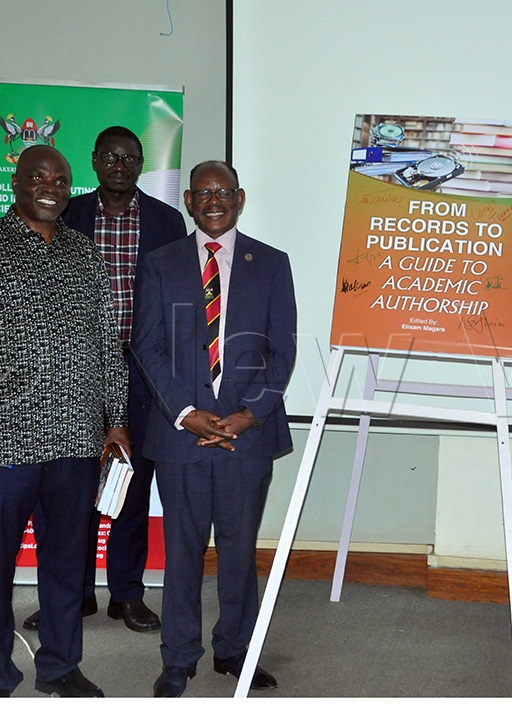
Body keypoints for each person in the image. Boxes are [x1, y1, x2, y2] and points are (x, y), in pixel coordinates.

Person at [0, 146, 129, 697]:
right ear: (15, 182)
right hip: (0, 448)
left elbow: (107, 348)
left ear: (71, 188)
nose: (51, 186)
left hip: (76, 442)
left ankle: (61, 666)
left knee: (66, 566)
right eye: (38, 177)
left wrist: (116, 420)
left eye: (61, 180)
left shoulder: (86, 256)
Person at [131, 161, 296, 697]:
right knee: (181, 551)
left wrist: (249, 415)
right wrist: (185, 412)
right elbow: (147, 346)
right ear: (188, 201)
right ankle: (178, 656)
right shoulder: (160, 263)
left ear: (240, 198)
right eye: (202, 193)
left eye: (223, 192)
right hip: (181, 433)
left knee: (239, 547)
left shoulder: (271, 263)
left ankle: (236, 649)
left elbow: (283, 349)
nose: (214, 201)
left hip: (248, 433)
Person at [23, 126, 186, 634]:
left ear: (140, 164)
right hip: (73, 372)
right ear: (93, 161)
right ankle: (74, 594)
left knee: (130, 488)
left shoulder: (166, 221)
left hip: (141, 372)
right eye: (110, 156)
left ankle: (127, 594)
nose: (120, 164)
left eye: (130, 157)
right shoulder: (65, 213)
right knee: (68, 488)